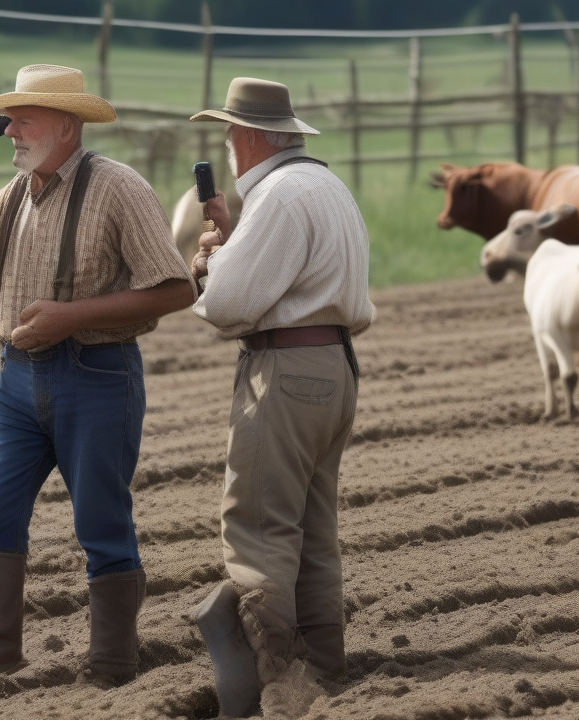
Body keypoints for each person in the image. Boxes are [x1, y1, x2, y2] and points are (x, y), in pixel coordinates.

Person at [0, 64, 195, 686]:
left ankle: (113, 663)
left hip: (96, 374)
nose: (10, 129)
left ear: (66, 126)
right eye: (10, 117)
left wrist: (72, 317)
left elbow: (175, 287)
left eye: (25, 117)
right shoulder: (12, 196)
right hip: (15, 379)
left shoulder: (119, 188)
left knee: (100, 520)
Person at [186, 77, 375, 716]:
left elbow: (231, 304)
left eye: (230, 136)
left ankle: (272, 681)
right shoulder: (328, 185)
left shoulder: (277, 194)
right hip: (336, 365)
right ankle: (322, 668)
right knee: (315, 529)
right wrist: (236, 244)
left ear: (246, 137)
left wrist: (210, 267)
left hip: (285, 369)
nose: (230, 151)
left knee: (260, 526)